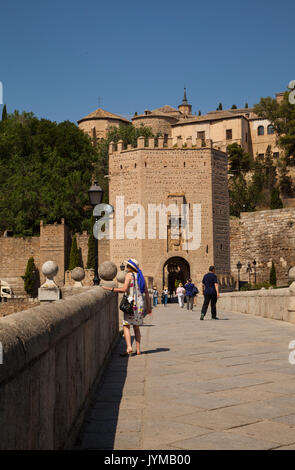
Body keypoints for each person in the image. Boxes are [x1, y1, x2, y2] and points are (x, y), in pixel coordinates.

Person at [102, 258, 152, 356]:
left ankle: (129, 347)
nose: (126, 267)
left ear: (130, 267)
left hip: (131, 304)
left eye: (127, 265)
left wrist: (109, 288)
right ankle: (138, 350)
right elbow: (146, 292)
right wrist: (149, 307)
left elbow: (124, 289)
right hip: (140, 304)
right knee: (136, 327)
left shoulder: (129, 275)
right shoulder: (141, 276)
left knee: (126, 325)